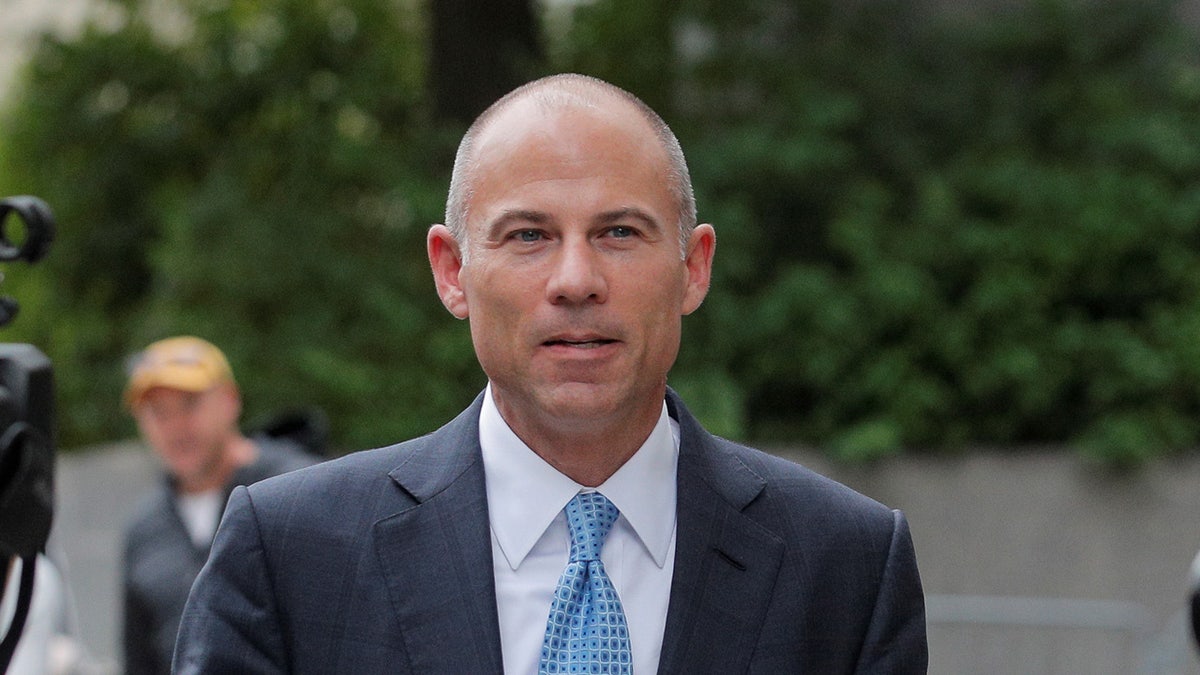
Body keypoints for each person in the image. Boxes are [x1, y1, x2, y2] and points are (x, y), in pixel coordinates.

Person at [173, 74, 927, 673]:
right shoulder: (293, 554)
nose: (576, 280)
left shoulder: (844, 565)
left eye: (619, 232)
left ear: (693, 268)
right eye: (529, 235)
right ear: (453, 271)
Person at [120, 336, 317, 675]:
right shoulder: (143, 530)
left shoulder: (296, 489)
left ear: (230, 400)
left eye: (189, 404)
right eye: (158, 412)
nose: (175, 426)